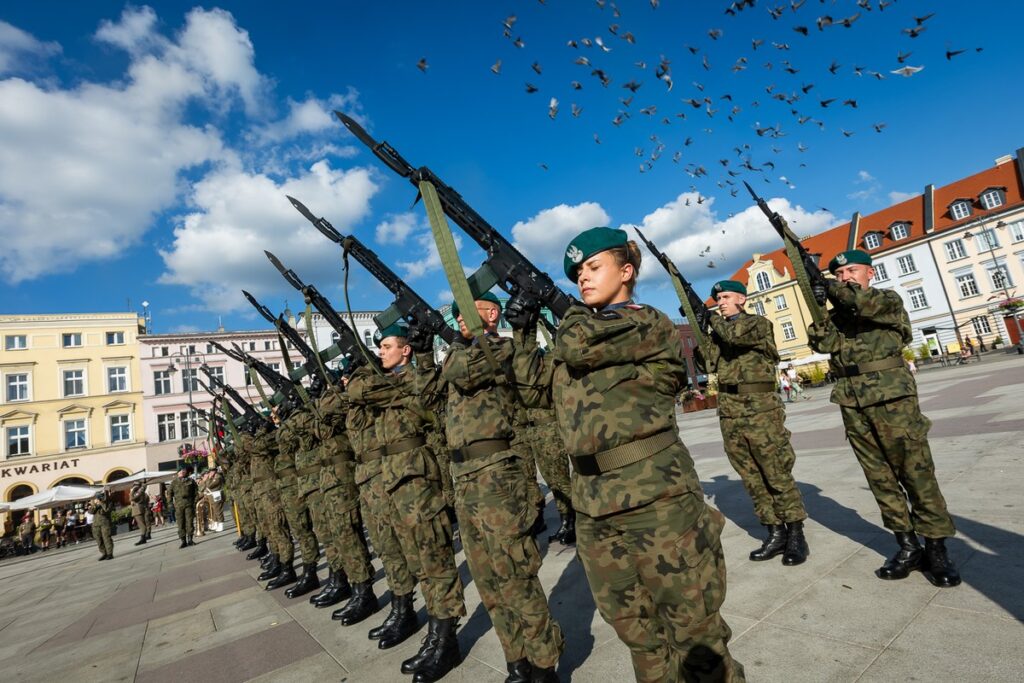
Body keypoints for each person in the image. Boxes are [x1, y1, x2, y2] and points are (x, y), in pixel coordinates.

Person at [510, 227, 744, 682]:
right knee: (636, 630)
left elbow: (578, 343)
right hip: (594, 505)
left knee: (694, 632)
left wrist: (560, 306)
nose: (583, 278)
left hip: (656, 500)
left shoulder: (644, 322)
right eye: (577, 273)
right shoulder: (580, 337)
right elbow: (534, 391)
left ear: (627, 271)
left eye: (593, 267)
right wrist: (520, 332)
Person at [431, 292, 565, 683]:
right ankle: (516, 661)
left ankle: (544, 665)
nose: (465, 320)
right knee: (487, 577)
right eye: (461, 316)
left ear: (493, 315)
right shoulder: (458, 356)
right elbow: (428, 396)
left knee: (515, 573)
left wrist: (459, 341)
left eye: (479, 311)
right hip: (465, 477)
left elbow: (463, 372)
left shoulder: (500, 351)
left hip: (497, 475)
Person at [808, 249, 960, 588]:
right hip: (852, 400)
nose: (845, 277)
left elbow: (864, 304)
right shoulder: (839, 314)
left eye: (852, 271)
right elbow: (821, 342)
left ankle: (936, 548)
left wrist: (829, 288)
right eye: (839, 273)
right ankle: (907, 546)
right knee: (880, 478)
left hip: (893, 398)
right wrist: (818, 303)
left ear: (869, 273)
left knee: (916, 473)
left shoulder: (887, 300)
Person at [353, 323, 466, 682]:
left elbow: (426, 394)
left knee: (435, 562)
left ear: (406, 350)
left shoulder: (417, 379)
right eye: (379, 348)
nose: (380, 352)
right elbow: (356, 394)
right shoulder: (385, 385)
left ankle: (446, 640)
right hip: (394, 482)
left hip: (418, 482)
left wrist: (421, 361)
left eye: (387, 346)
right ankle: (435, 634)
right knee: (418, 562)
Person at [706, 279, 809, 566]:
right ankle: (775, 532)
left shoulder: (757, 324)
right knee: (750, 476)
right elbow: (708, 363)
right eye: (717, 299)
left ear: (741, 298)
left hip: (761, 410)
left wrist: (712, 320)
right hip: (730, 411)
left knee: (775, 471)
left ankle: (796, 533)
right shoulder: (719, 331)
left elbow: (735, 336)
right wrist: (704, 331)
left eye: (726, 297)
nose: (720, 302)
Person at [166, 465, 199, 548]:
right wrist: (170, 504)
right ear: (178, 473)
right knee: (181, 523)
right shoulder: (174, 482)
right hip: (179, 505)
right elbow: (169, 494)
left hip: (189, 504)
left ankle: (190, 539)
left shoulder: (191, 481)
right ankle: (183, 540)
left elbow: (196, 493)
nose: (182, 472)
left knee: (189, 522)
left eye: (183, 471)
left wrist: (194, 502)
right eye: (180, 471)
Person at [87, 490, 114, 560]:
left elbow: (106, 510)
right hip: (96, 524)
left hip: (105, 523)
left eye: (99, 497)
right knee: (99, 540)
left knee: (106, 538)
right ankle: (104, 553)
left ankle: (109, 553)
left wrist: (101, 502)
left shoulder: (108, 502)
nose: (98, 498)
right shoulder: (95, 504)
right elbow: (90, 512)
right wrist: (95, 505)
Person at [130, 481, 152, 545]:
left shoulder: (138, 492)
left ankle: (143, 538)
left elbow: (132, 498)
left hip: (138, 510)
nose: (133, 487)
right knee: (143, 524)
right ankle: (144, 537)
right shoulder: (142, 492)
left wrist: (132, 491)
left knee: (142, 525)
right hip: (141, 509)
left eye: (134, 485)